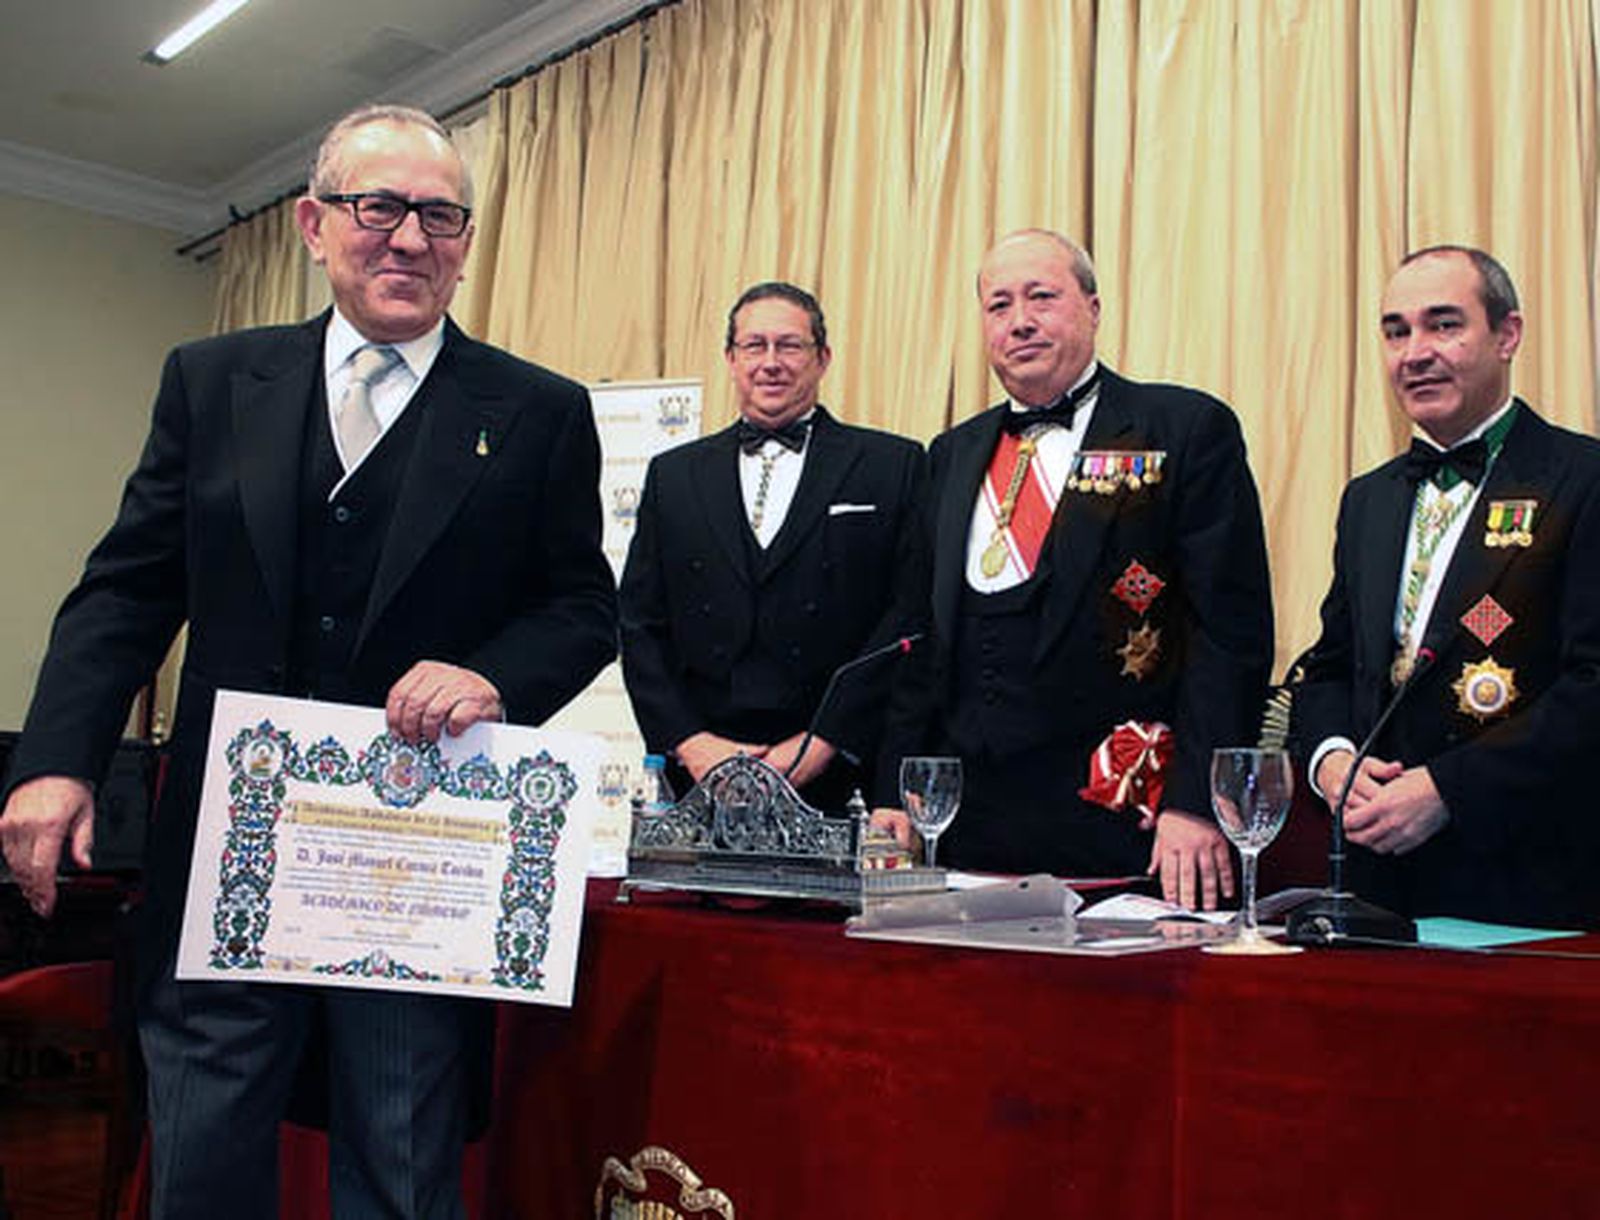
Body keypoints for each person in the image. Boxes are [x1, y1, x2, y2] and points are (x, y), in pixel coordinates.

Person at [0, 105, 617, 1219]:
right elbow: (128, 587)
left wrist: (492, 676)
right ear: (313, 223)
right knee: (202, 1150)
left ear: (466, 242)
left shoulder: (538, 411)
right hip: (225, 858)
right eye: (379, 207)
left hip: (415, 866)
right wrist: (56, 759)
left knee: (403, 1152)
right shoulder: (212, 381)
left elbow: (580, 610)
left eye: (440, 216)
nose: (410, 238)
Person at [878, 229, 1273, 908]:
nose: (1020, 321)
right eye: (999, 305)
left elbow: (1229, 634)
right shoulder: (950, 453)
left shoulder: (1183, 428)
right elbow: (917, 640)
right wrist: (896, 791)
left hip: (1125, 829)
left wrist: (1196, 802)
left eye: (1042, 297)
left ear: (1093, 308)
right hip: (966, 834)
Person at [1295, 245, 1600, 928]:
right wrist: (1332, 761)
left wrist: (1447, 789)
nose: (1416, 352)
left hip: (1529, 883)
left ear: (1507, 335)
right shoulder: (1367, 499)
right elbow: (1331, 668)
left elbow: (1592, 685)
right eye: (1396, 331)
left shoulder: (1583, 480)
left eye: (1444, 324)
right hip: (1376, 884)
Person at [619, 282, 925, 808]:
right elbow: (640, 623)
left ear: (823, 358)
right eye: (754, 346)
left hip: (842, 776)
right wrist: (691, 744)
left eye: (790, 346)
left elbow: (906, 619)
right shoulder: (673, 475)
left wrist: (823, 743)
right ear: (731, 359)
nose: (771, 363)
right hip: (703, 778)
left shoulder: (892, 465)